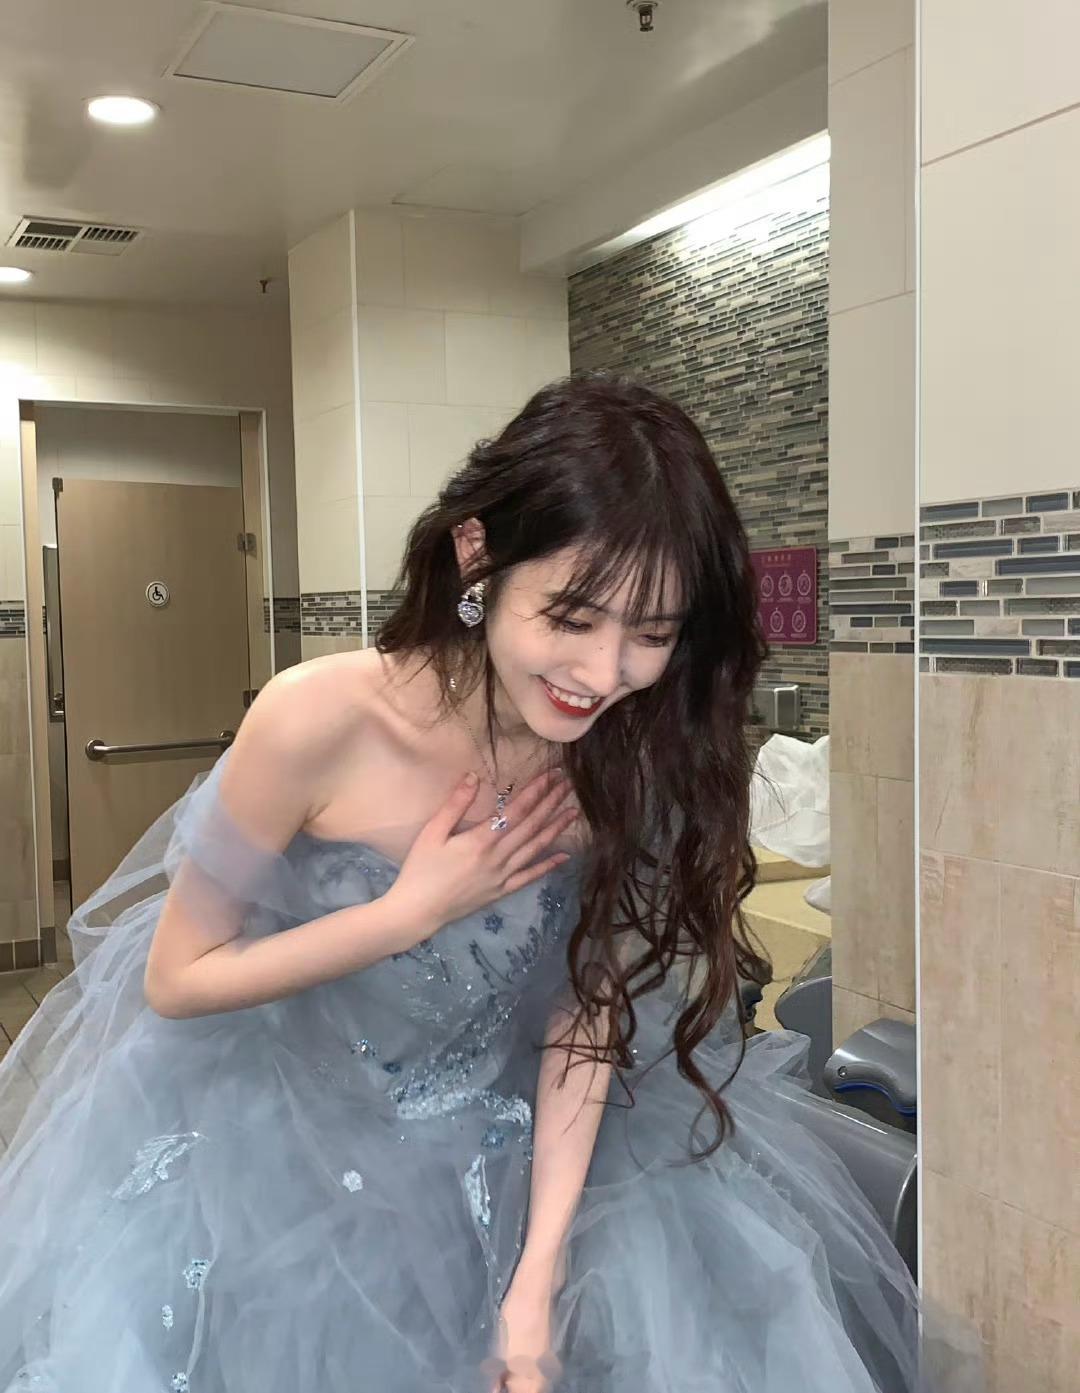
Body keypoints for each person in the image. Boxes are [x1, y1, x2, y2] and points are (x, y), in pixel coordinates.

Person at [0, 375, 932, 1393]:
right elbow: (176, 976)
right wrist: (408, 913)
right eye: (572, 616)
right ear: (478, 555)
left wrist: (540, 1273)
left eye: (651, 634)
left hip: (527, 1146)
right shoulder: (316, 718)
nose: (603, 671)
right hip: (281, 1160)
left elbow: (590, 1010)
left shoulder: (625, 754)